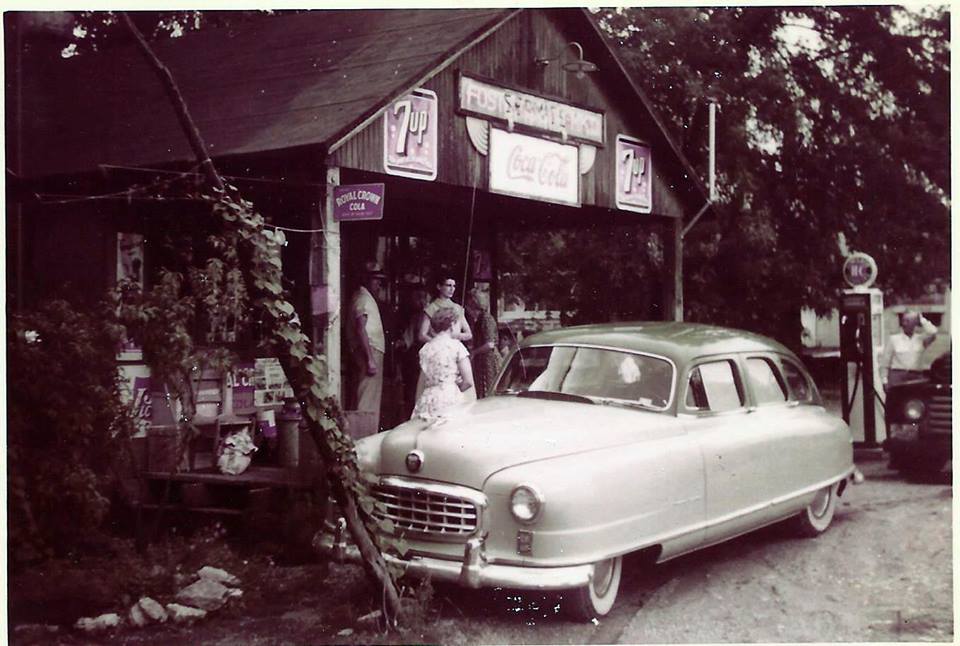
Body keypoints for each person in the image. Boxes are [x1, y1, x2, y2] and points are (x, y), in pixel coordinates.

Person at [412, 307, 474, 422]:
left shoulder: (426, 348)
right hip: (449, 396)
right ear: (452, 325)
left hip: (428, 398)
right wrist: (455, 387)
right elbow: (468, 381)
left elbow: (421, 382)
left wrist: (418, 402)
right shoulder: (456, 346)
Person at [345, 264, 387, 428]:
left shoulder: (365, 297)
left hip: (371, 350)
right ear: (367, 280)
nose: (378, 284)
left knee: (369, 395)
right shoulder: (362, 298)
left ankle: (366, 431)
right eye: (375, 280)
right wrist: (369, 359)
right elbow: (360, 328)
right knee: (367, 397)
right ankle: (364, 434)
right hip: (369, 350)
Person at [395, 286, 430, 417]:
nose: (422, 302)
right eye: (418, 298)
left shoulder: (428, 316)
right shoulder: (415, 317)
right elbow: (408, 338)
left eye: (424, 298)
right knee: (413, 390)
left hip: (429, 356)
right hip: (415, 357)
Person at [880, 311, 938, 389]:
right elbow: (885, 362)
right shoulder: (894, 339)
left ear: (914, 323)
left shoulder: (921, 339)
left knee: (914, 400)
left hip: (916, 377)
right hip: (897, 376)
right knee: (897, 400)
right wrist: (884, 381)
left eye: (908, 321)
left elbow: (933, 332)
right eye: (903, 320)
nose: (904, 324)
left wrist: (921, 319)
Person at [464, 287, 500, 398]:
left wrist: (474, 352)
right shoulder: (480, 319)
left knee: (488, 390)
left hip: (488, 361)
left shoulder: (486, 318)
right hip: (483, 360)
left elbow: (490, 344)